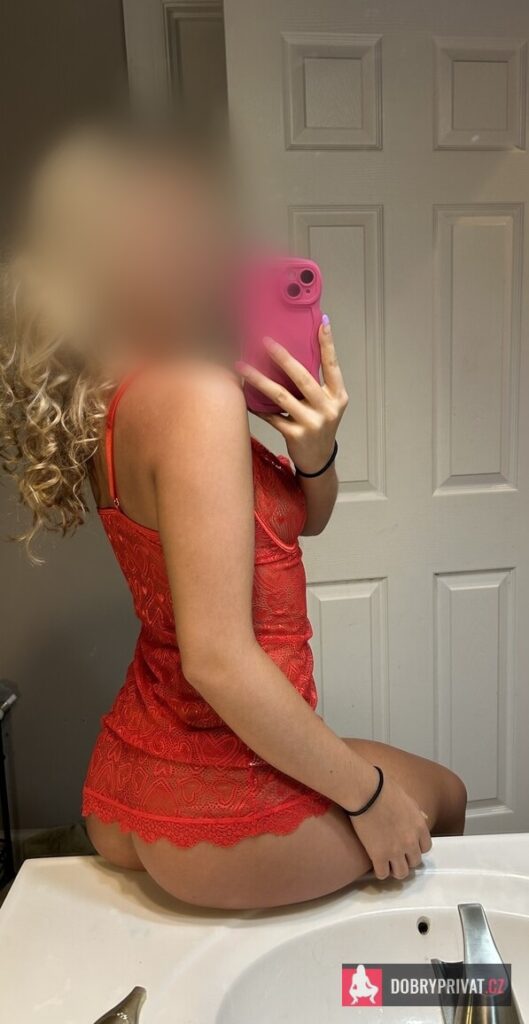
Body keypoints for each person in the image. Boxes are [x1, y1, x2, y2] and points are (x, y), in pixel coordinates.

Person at [0, 127, 466, 909]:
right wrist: (369, 798)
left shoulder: (118, 391)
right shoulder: (194, 394)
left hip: (133, 773)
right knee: (442, 797)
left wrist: (312, 451)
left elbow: (302, 522)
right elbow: (216, 658)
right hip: (218, 803)